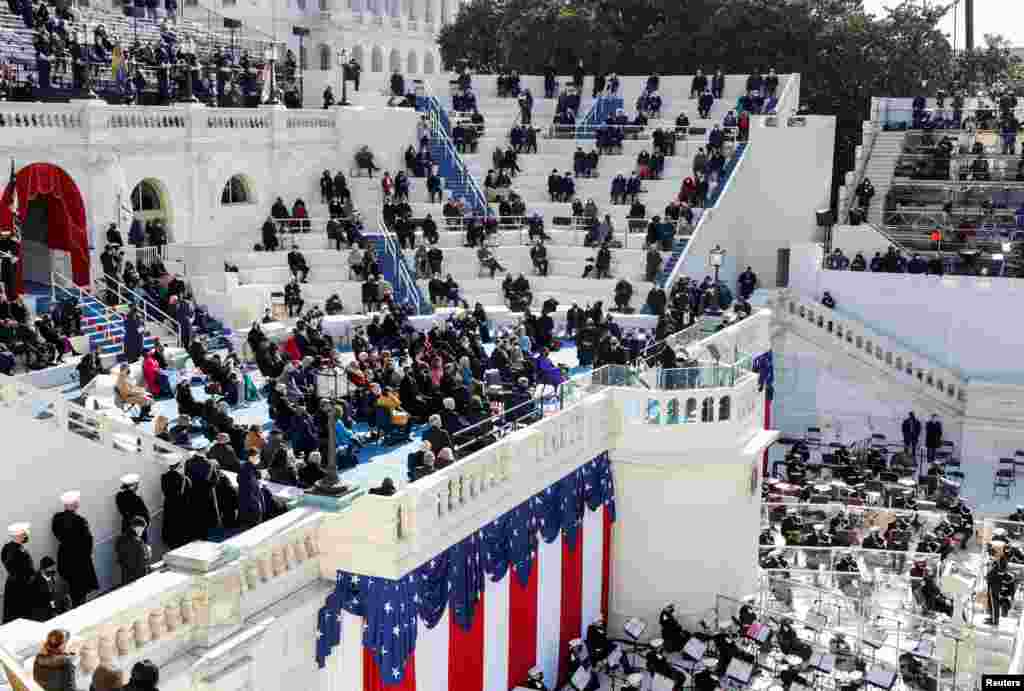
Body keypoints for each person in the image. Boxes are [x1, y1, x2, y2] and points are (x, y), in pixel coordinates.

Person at [51, 491, 99, 607]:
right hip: (80, 562)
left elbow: (57, 534)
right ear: (73, 504)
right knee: (80, 593)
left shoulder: (57, 519)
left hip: (65, 559)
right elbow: (88, 542)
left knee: (70, 589)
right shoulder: (80, 521)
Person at [3, 522, 35, 623]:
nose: (27, 535)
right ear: (19, 535)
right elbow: (17, 568)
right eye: (25, 533)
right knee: (17, 614)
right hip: (19, 586)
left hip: (18, 584)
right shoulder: (13, 550)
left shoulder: (12, 548)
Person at [115, 515, 151, 585]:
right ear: (138, 528)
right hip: (138, 576)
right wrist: (148, 552)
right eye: (142, 530)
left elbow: (120, 557)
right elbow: (143, 560)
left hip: (126, 574)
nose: (142, 532)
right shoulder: (137, 541)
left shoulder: (121, 539)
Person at [115, 474, 150, 541]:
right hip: (138, 529)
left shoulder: (119, 497)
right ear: (132, 486)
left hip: (126, 527)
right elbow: (145, 515)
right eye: (136, 484)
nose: (137, 486)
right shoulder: (136, 498)